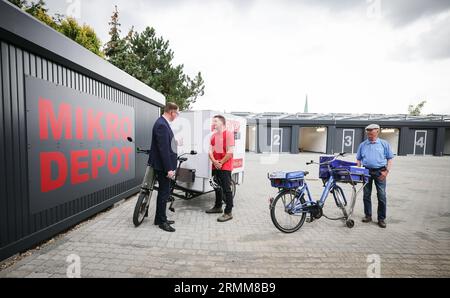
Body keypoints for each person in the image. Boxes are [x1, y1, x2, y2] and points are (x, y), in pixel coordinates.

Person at [148, 102, 179, 232]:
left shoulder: (163, 123)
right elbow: (163, 150)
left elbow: (166, 145)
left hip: (163, 165)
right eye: (176, 113)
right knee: (163, 193)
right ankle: (162, 221)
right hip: (163, 167)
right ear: (171, 112)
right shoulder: (162, 125)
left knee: (163, 193)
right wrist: (169, 169)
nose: (176, 116)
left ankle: (159, 218)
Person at [356, 124, 394, 228]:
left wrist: (386, 172)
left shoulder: (384, 144)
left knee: (381, 196)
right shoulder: (363, 145)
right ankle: (368, 216)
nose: (370, 136)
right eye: (368, 134)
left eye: (372, 133)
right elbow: (358, 159)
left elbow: (390, 158)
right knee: (366, 195)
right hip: (366, 172)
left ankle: (381, 219)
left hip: (380, 172)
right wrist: (359, 171)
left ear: (377, 132)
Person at [205, 115, 235, 222]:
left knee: (226, 189)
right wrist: (214, 161)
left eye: (215, 121)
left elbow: (230, 152)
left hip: (225, 166)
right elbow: (210, 151)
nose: (213, 123)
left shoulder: (229, 134)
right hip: (216, 165)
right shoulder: (213, 136)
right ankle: (218, 207)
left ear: (222, 123)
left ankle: (228, 212)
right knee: (216, 186)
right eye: (213, 121)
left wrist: (220, 162)